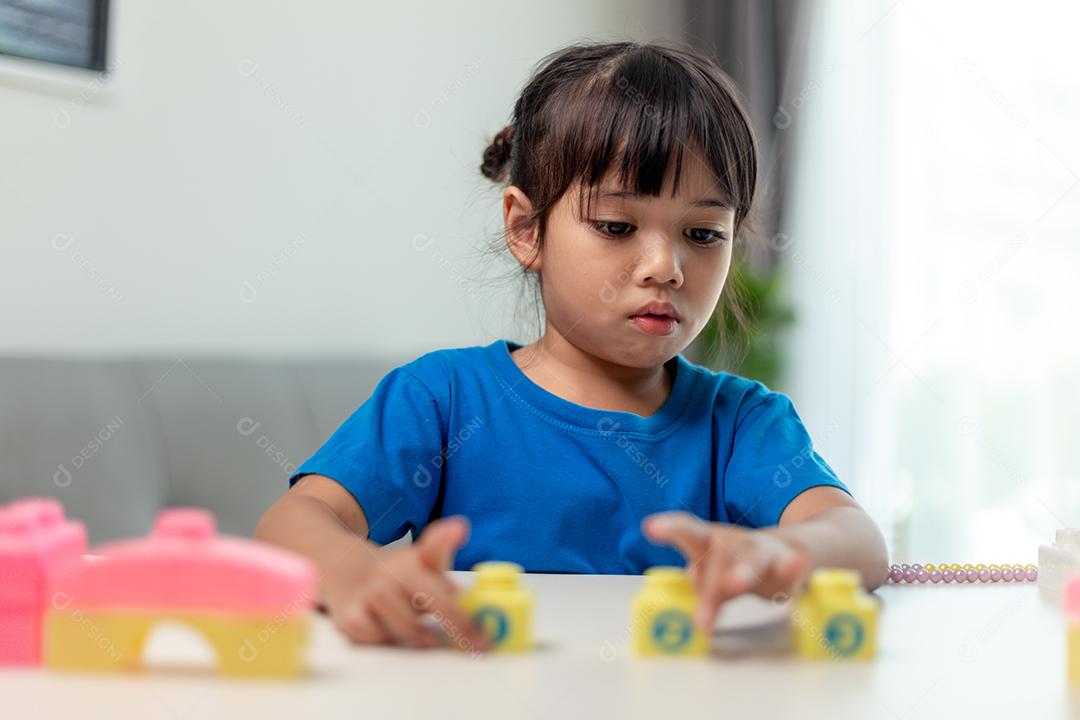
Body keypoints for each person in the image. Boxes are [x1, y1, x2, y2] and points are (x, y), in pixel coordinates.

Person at [256, 40, 889, 651]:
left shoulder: (742, 422)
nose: (665, 266)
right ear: (526, 230)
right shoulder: (441, 399)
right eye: (616, 226)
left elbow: (857, 539)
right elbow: (294, 522)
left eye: (702, 233)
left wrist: (782, 553)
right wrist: (353, 573)